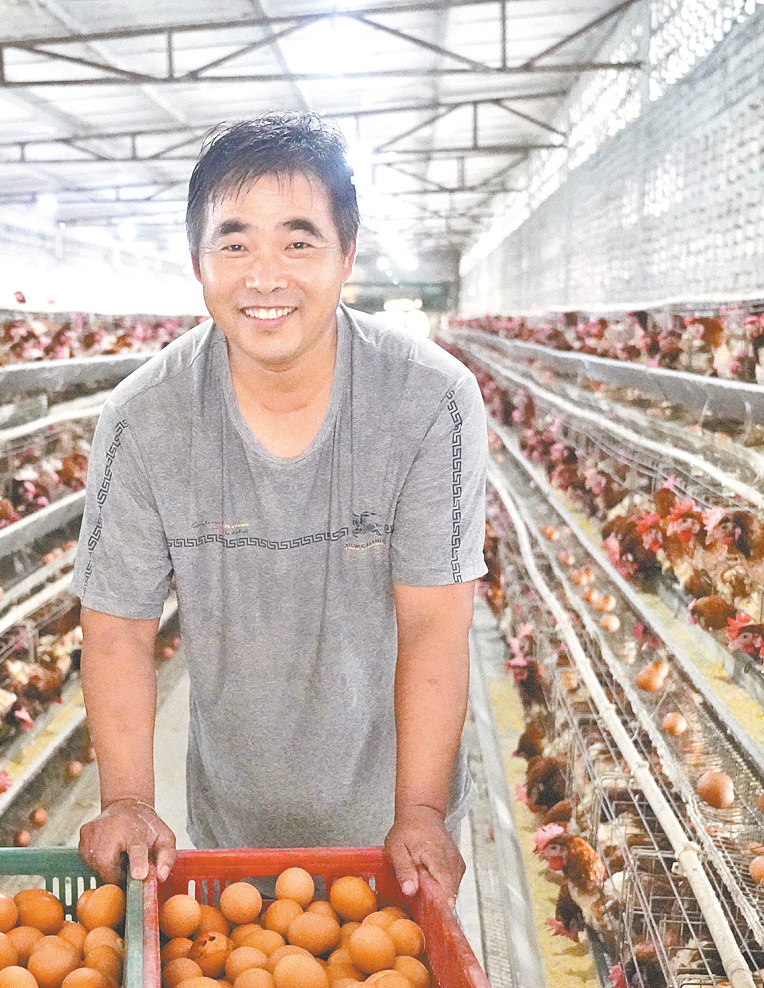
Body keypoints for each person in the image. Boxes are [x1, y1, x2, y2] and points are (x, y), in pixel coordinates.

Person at [72, 112, 486, 898]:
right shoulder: (144, 419)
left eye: (298, 243)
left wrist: (421, 810)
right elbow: (119, 628)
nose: (265, 277)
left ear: (346, 256)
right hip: (229, 835)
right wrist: (126, 800)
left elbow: (435, 623)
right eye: (235, 245)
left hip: (395, 834)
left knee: (389, 976)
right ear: (197, 263)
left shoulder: (430, 400)